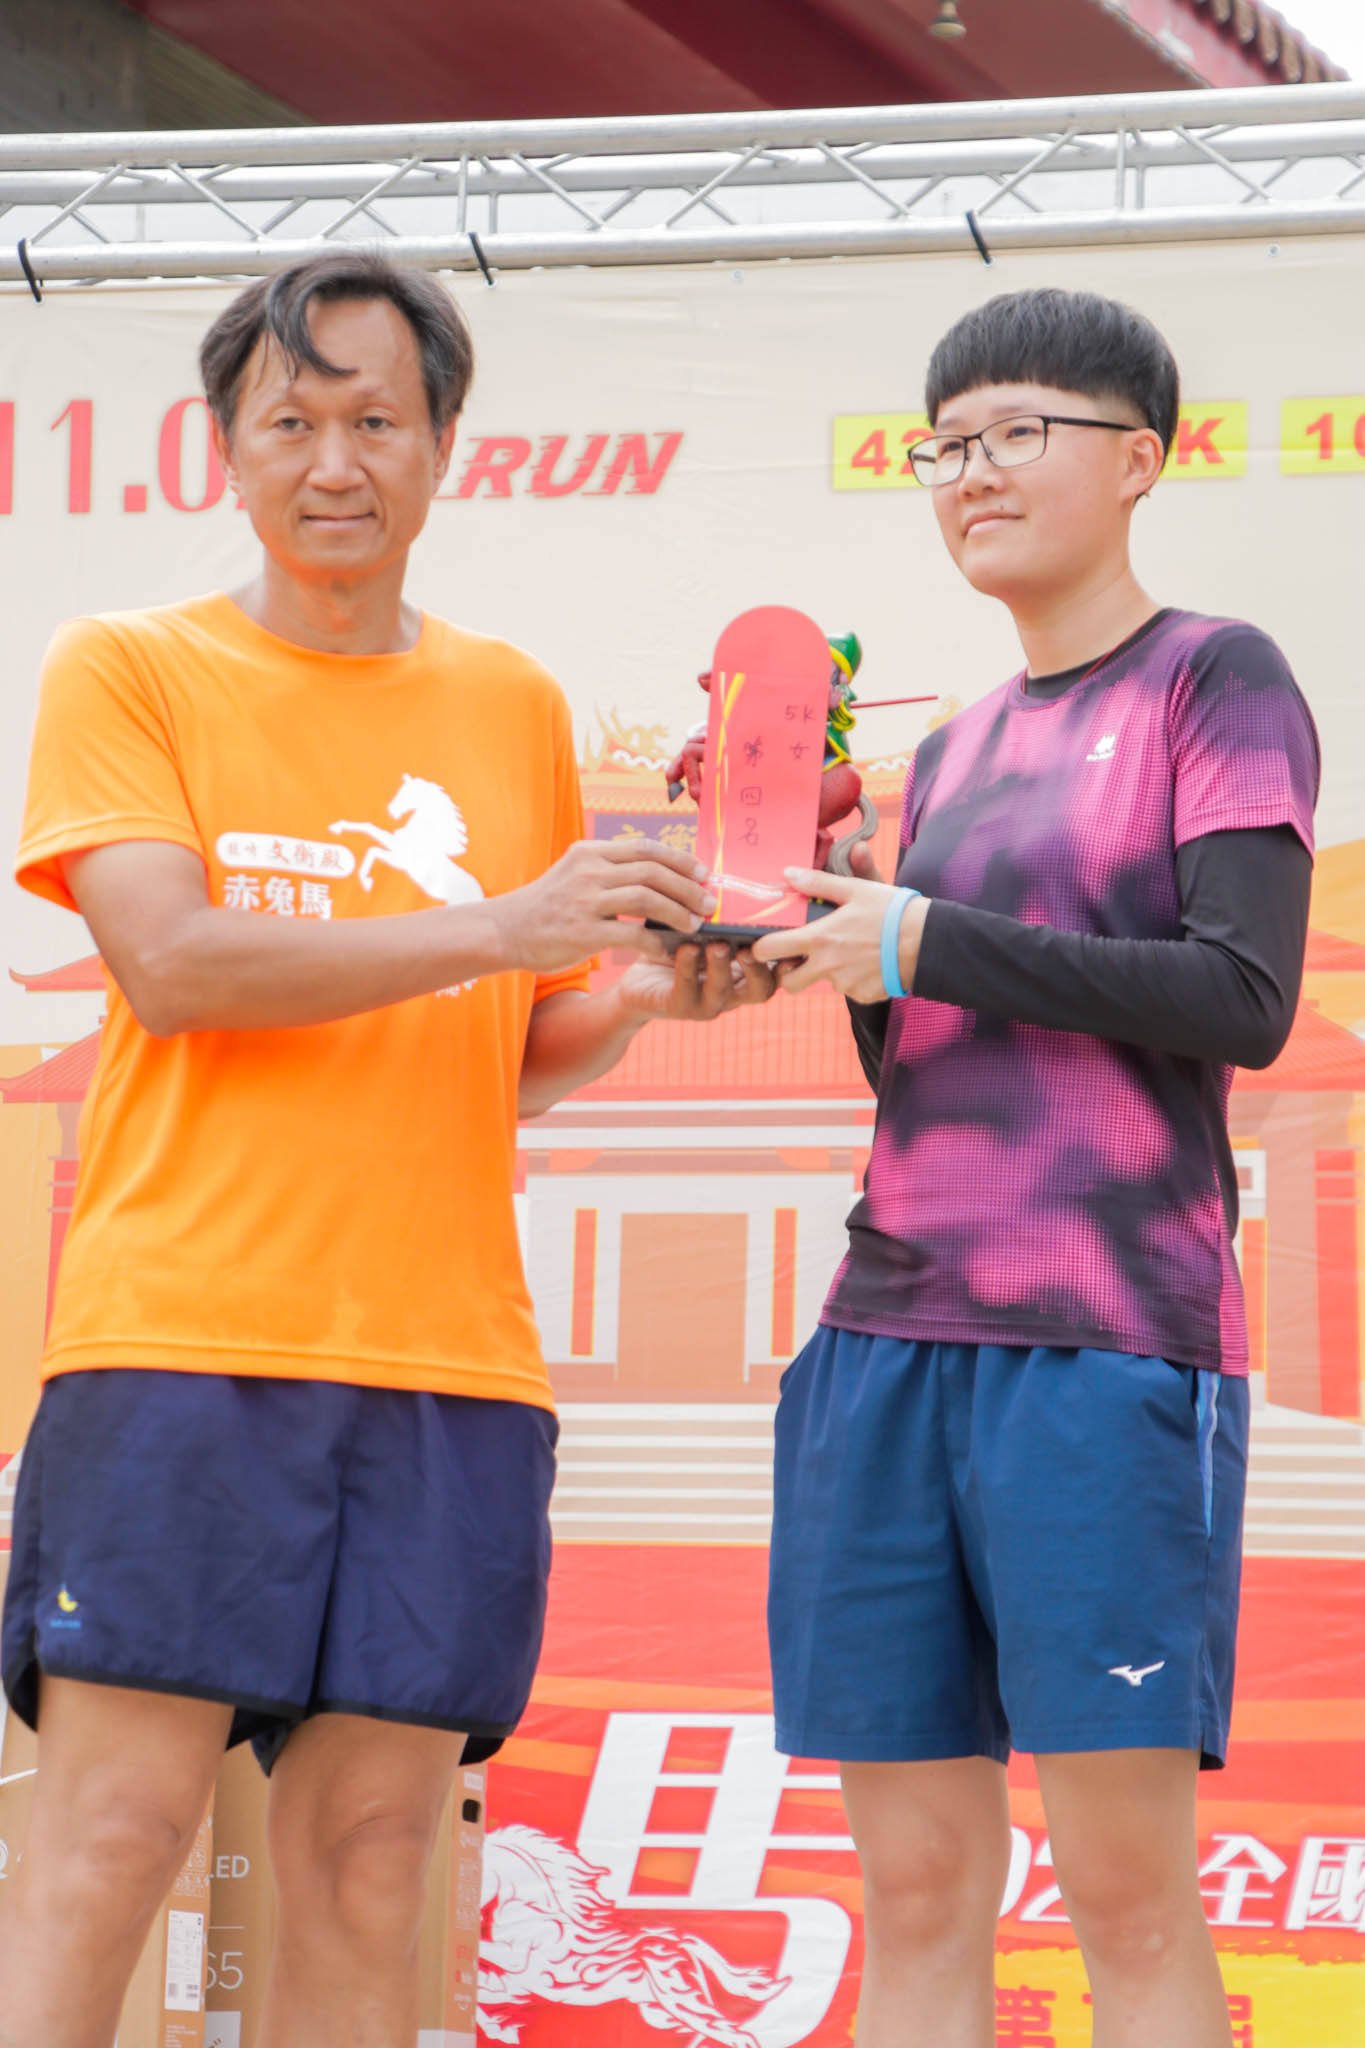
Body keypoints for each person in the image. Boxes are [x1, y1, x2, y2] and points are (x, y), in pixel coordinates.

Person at [0, 250, 770, 2048]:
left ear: (443, 448)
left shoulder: (509, 704)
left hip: (447, 1369)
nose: (334, 462)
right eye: (292, 422)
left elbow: (501, 1056)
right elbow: (174, 965)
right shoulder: (132, 667)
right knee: (113, 1838)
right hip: (183, 1341)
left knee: (369, 1865)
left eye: (376, 422)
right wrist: (502, 927)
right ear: (227, 448)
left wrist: (636, 997)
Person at [753, 288, 1319, 2048]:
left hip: (1103, 1349)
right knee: (915, 1890)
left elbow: (1241, 998)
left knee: (1123, 1894)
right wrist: (851, 942)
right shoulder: (947, 752)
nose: (974, 474)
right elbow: (926, 1058)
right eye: (945, 448)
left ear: (1135, 460)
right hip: (883, 1339)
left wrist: (926, 935)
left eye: (1017, 434)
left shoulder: (1214, 677)